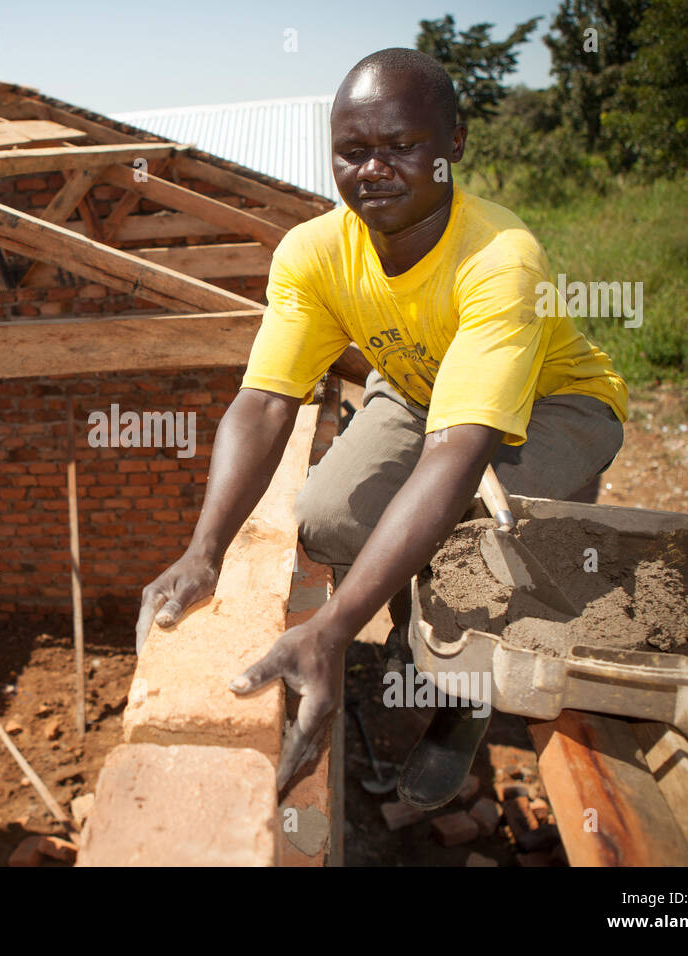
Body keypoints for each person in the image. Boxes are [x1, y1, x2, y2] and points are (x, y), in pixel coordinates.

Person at [135, 48, 627, 810]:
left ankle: (460, 701)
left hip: (555, 404)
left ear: (454, 144)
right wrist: (204, 553)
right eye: (353, 152)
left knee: (472, 544)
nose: (375, 170)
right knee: (327, 520)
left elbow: (458, 455)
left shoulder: (501, 257)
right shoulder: (315, 252)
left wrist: (331, 629)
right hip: (421, 386)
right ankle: (406, 618)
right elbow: (266, 401)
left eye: (402, 147)